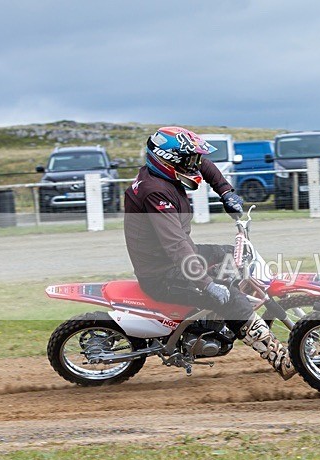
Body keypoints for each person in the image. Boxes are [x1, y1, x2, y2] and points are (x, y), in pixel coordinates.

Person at [123, 126, 295, 379]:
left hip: (175, 257)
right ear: (169, 160)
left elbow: (204, 164)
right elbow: (176, 244)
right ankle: (280, 359)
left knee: (231, 255)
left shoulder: (162, 175)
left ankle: (217, 320)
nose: (195, 166)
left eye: (194, 160)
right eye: (189, 161)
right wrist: (206, 284)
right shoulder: (155, 192)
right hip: (163, 273)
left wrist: (226, 192)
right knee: (231, 298)